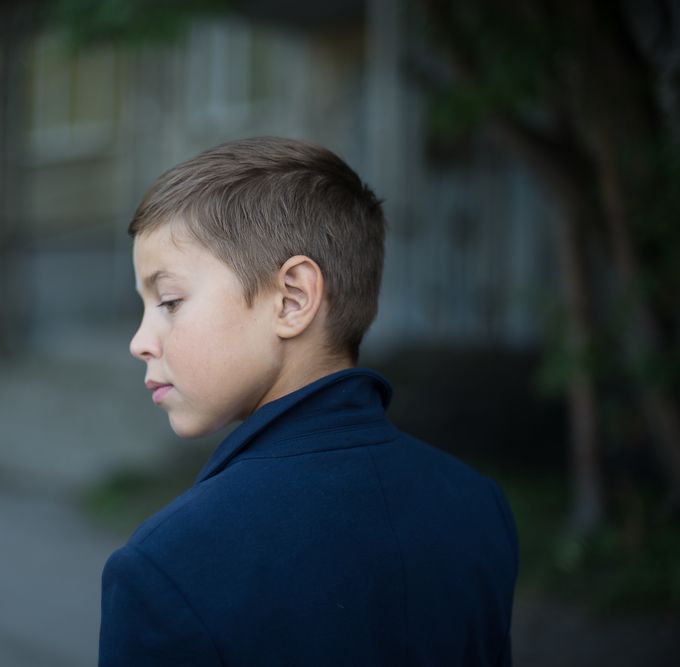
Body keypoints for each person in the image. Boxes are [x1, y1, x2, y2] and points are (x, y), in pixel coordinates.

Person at [99, 137, 518, 666]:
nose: (139, 341)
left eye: (169, 301)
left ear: (292, 298)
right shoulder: (477, 505)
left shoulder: (168, 565)